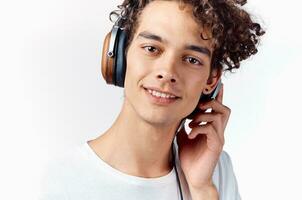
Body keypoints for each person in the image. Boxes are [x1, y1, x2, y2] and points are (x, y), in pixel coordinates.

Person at [38, 0, 265, 199]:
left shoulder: (215, 171)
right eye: (151, 48)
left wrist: (202, 190)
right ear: (120, 56)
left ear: (212, 79)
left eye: (191, 59)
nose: (167, 72)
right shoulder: (55, 182)